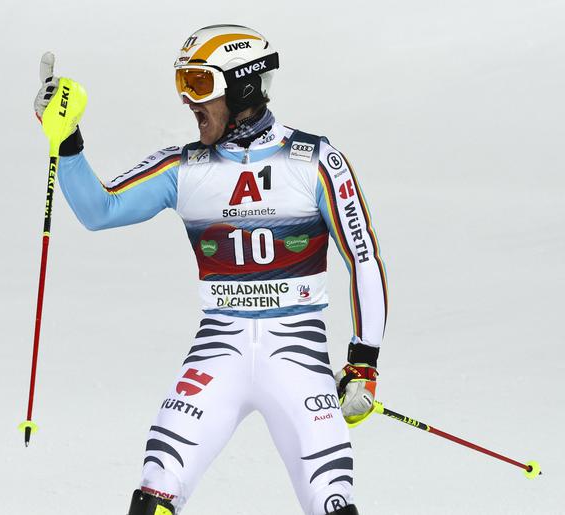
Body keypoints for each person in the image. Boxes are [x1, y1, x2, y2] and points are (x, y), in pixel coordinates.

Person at [34, 24, 387, 515]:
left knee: (331, 499)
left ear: (243, 86)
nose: (186, 101)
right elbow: (101, 211)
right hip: (219, 350)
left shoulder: (314, 158)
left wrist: (364, 363)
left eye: (199, 84)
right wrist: (66, 138)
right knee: (155, 488)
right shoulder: (185, 167)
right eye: (181, 85)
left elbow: (363, 256)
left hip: (298, 353)